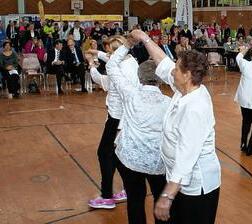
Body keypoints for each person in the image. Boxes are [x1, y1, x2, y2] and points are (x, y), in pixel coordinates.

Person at [130, 29, 221, 224]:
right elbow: (163, 63)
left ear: (187, 75)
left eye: (177, 69)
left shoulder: (195, 108)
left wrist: (166, 197)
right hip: (178, 183)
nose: (173, 71)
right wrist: (144, 38)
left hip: (197, 188)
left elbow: (186, 158)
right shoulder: (184, 89)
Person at [106, 38, 171, 224]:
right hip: (158, 162)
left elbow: (111, 66)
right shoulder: (169, 102)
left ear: (139, 76)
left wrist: (127, 44)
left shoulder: (131, 94)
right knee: (160, 200)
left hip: (130, 160)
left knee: (135, 201)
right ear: (160, 80)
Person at [86, 36, 138, 209]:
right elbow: (111, 57)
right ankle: (128, 189)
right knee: (119, 155)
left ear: (116, 52)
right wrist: (97, 52)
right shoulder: (132, 62)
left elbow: (101, 80)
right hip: (130, 117)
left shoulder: (117, 69)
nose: (108, 54)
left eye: (109, 51)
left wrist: (91, 64)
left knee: (104, 154)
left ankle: (107, 196)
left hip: (117, 118)